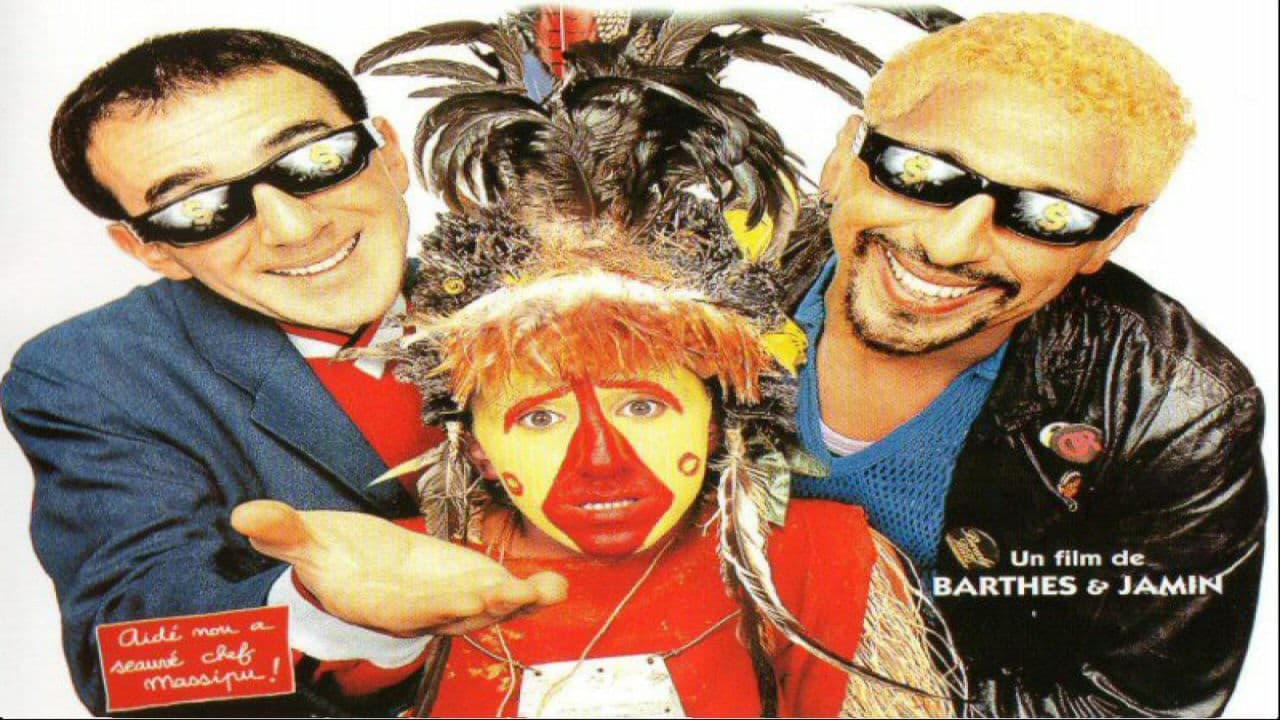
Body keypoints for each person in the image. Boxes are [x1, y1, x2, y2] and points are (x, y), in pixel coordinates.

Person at [236, 31, 962, 711]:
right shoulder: (406, 567)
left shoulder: (813, 555)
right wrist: (316, 609)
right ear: (477, 447)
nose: (601, 462)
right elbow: (182, 678)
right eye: (539, 418)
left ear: (718, 421)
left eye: (643, 407)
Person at [0, 29, 566, 716]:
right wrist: (313, 611)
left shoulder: (570, 296)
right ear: (151, 250)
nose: (293, 229)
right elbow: (121, 665)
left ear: (388, 154)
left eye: (315, 160)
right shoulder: (90, 374)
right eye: (199, 209)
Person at [795, 12, 1266, 717]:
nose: (952, 245)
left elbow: (1138, 708)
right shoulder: (675, 286)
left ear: (1110, 240)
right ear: (844, 157)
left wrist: (842, 694)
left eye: (1048, 217)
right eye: (921, 173)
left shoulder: (1175, 412)